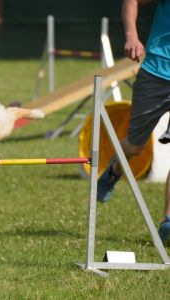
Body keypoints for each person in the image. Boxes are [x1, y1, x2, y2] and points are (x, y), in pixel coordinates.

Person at [97, 0, 170, 242]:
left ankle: (167, 221)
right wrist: (132, 36)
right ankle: (113, 171)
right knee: (135, 146)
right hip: (156, 73)